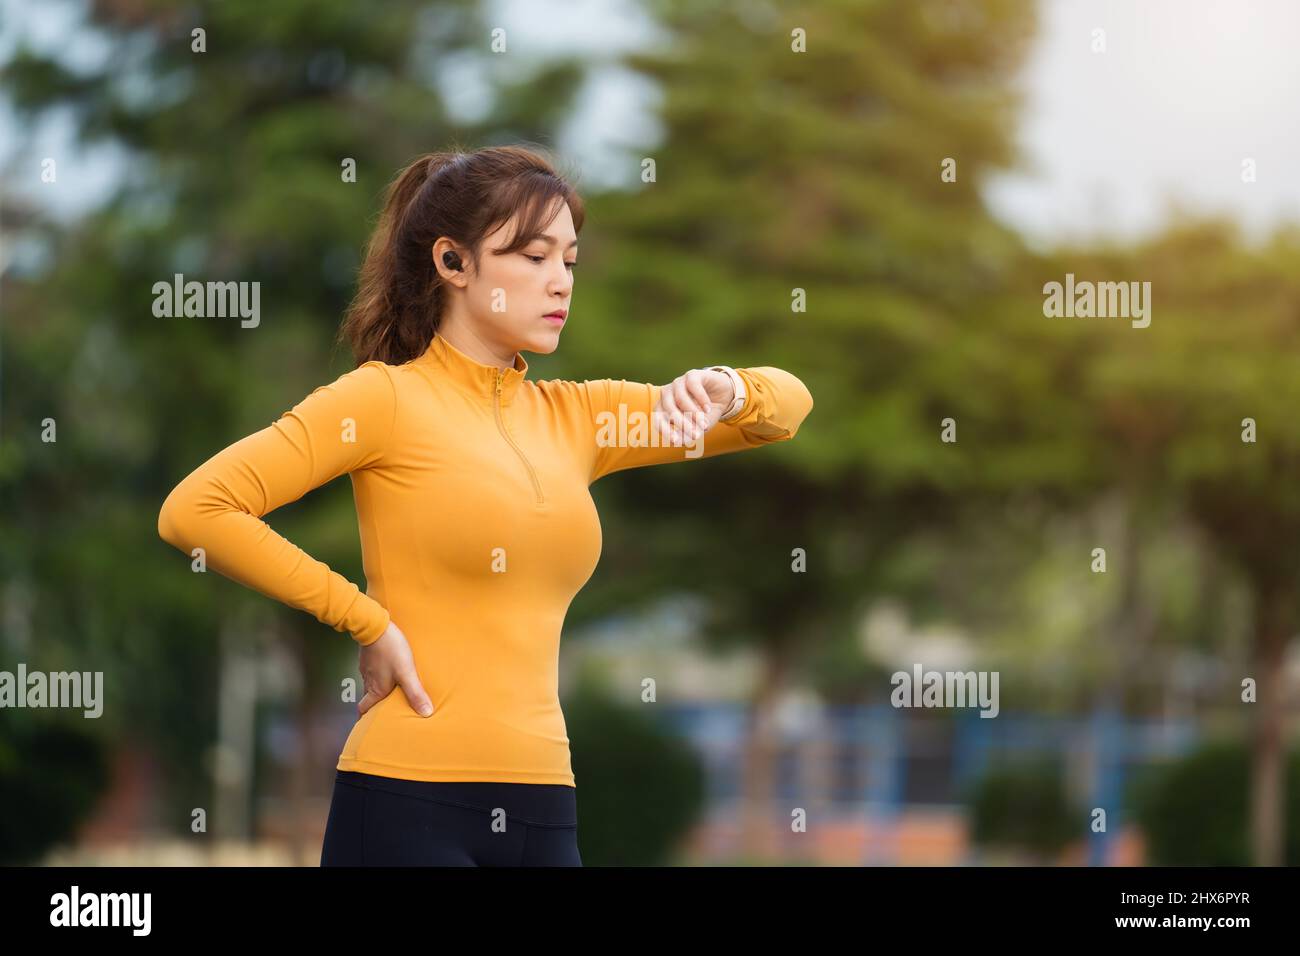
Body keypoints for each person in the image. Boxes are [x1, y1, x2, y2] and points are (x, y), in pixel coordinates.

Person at [157, 144, 814, 866]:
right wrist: (364, 621)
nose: (559, 281)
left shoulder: (583, 419)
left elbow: (784, 410)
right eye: (532, 257)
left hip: (543, 802)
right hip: (406, 798)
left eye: (569, 260)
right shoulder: (383, 401)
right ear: (453, 263)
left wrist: (725, 384)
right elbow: (197, 509)